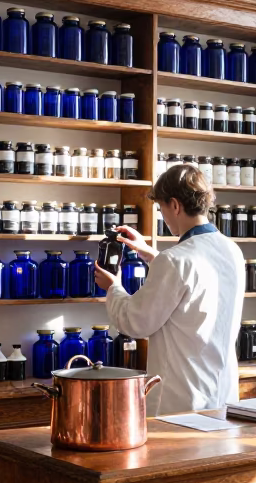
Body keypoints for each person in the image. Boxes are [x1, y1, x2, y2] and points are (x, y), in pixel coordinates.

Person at [94, 163, 245, 416]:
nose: (163, 215)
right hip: (223, 395)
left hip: (181, 401)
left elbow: (136, 322)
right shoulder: (231, 250)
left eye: (161, 207)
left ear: (174, 205)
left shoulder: (175, 260)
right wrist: (150, 253)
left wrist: (113, 287)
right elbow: (194, 282)